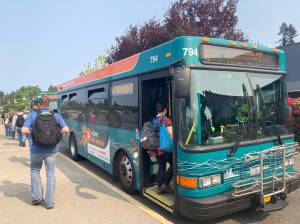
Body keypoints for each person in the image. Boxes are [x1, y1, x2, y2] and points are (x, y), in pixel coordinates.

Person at [22, 96, 69, 209]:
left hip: (36, 150)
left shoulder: (33, 115)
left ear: (39, 104)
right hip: (52, 150)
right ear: (49, 105)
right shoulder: (55, 115)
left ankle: (37, 198)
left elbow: (23, 130)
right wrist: (58, 132)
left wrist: (31, 132)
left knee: (35, 171)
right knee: (51, 175)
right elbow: (66, 130)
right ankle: (49, 203)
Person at [153, 103, 173, 194]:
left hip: (157, 148)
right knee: (174, 165)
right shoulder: (166, 120)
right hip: (165, 149)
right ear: (164, 109)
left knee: (161, 168)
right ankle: (165, 184)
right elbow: (171, 134)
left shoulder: (154, 119)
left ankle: (160, 187)